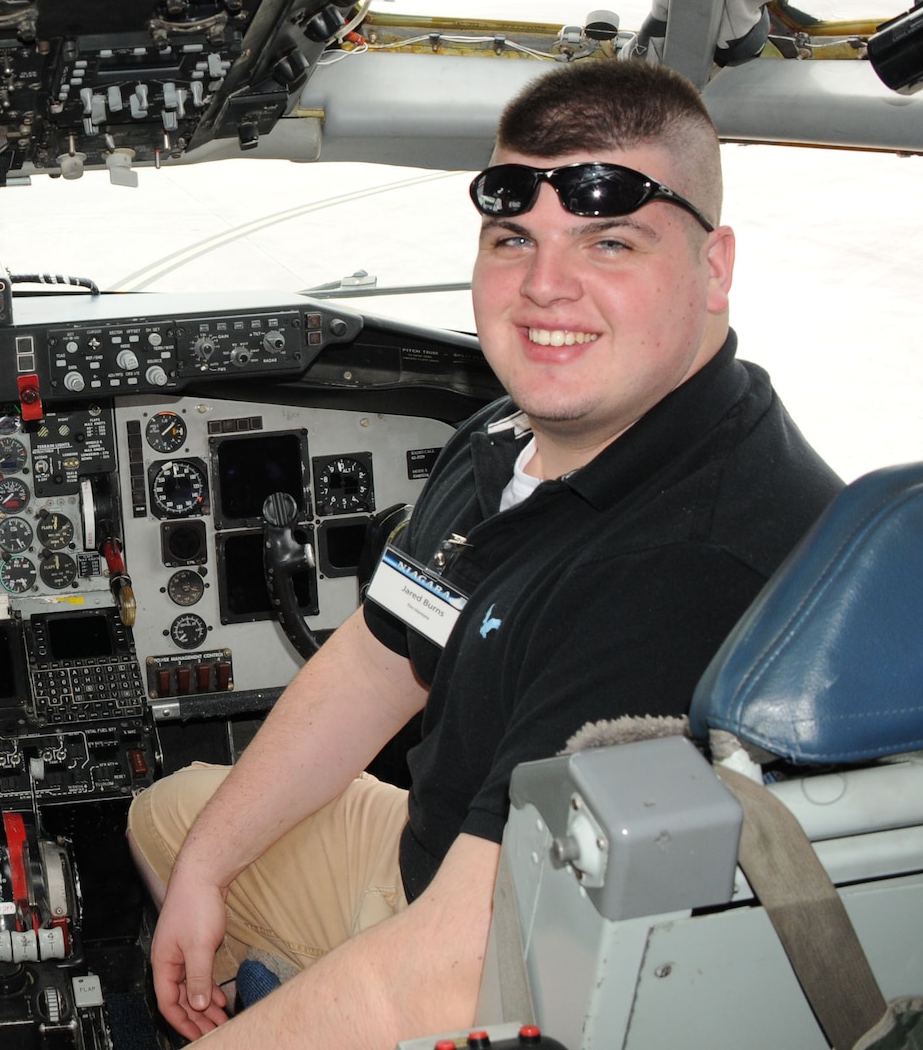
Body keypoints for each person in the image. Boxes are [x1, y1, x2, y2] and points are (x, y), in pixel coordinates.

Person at [129, 59, 843, 1046]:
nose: (544, 288)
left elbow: (450, 978)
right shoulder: (503, 441)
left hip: (538, 987)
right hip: (449, 870)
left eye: (609, 241)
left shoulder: (682, 565)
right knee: (174, 821)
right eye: (513, 239)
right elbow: (385, 656)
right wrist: (207, 869)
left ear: (712, 266)